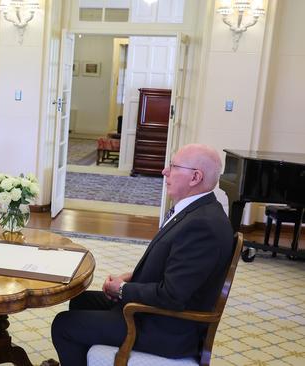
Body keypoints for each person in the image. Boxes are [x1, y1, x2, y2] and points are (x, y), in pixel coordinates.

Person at [51, 143, 234, 364]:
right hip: (157, 314)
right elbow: (174, 269)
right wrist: (129, 279)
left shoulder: (203, 226)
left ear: (195, 177)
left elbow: (172, 296)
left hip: (167, 328)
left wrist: (122, 290)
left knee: (63, 325)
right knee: (80, 301)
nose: (164, 171)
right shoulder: (198, 211)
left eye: (173, 166)